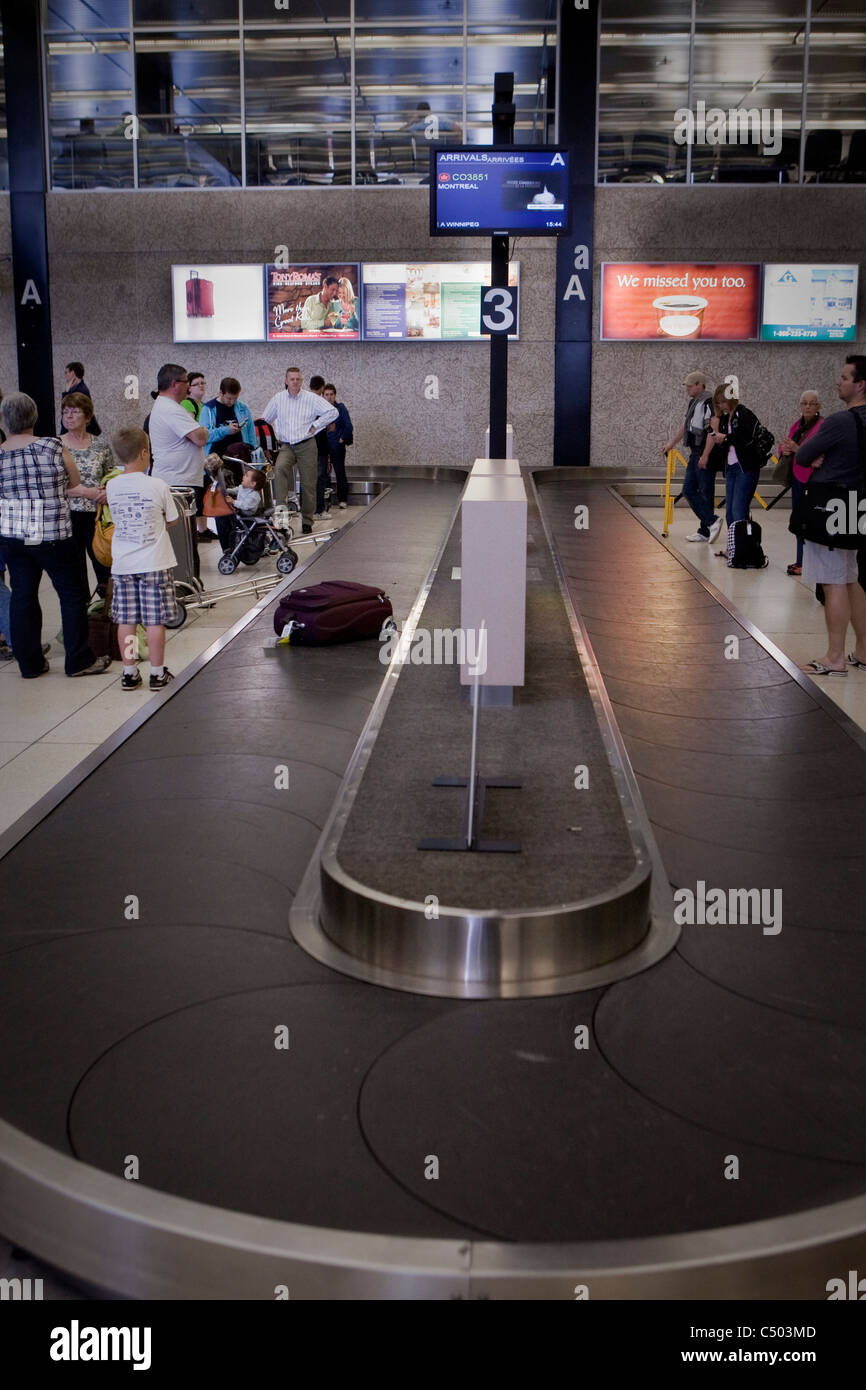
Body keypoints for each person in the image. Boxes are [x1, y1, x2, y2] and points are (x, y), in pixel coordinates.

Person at [0, 391, 111, 679]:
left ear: (5, 420)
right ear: (34, 418)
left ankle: (30, 664)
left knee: (23, 595)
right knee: (72, 595)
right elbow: (74, 481)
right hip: (52, 531)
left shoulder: (0, 453)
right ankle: (78, 660)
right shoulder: (52, 446)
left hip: (14, 534)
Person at [794, 356, 866, 677]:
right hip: (859, 503)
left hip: (831, 506)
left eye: (844, 377)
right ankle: (863, 650)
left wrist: (819, 454)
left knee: (833, 580)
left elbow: (805, 452)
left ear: (860, 384)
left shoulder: (840, 421)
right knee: (851, 577)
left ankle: (835, 657)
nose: (838, 381)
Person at [107, 426, 180, 691]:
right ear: (144, 452)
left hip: (123, 564)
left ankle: (129, 672)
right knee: (154, 620)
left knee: (126, 620)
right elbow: (172, 520)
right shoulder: (158, 485)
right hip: (154, 563)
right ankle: (158, 674)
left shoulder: (112, 485)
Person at [148, 363, 209, 576]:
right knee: (183, 544)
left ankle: (190, 585)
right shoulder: (171, 409)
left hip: (181, 482)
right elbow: (200, 437)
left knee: (186, 542)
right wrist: (203, 430)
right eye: (186, 382)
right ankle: (187, 586)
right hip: (177, 484)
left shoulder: (169, 407)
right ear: (175, 384)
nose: (189, 388)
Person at [261, 367, 337, 533]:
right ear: (286, 380)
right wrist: (271, 439)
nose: (295, 382)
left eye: (298, 379)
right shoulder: (278, 398)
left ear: (302, 381)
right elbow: (265, 419)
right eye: (292, 379)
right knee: (280, 469)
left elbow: (333, 412)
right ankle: (281, 519)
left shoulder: (310, 398)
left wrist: (316, 425)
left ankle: (307, 521)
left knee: (308, 483)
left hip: (307, 443)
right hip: (287, 445)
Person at [60, 391, 114, 596]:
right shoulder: (56, 445)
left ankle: (107, 615)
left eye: (75, 412)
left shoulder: (100, 445)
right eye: (65, 412)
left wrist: (107, 491)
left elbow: (111, 475)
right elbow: (53, 485)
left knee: (104, 566)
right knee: (75, 573)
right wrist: (85, 492)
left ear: (88, 417)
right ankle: (80, 618)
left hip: (96, 515)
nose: (69, 416)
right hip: (67, 517)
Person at [662, 371, 719, 543]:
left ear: (700, 385)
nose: (687, 388)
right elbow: (685, 426)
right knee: (690, 489)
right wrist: (672, 443)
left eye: (690, 385)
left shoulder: (709, 402)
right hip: (695, 452)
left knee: (704, 491)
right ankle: (707, 526)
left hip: (704, 452)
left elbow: (712, 429)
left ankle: (710, 524)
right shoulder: (694, 403)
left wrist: (706, 454)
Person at [699, 384, 763, 536]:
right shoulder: (725, 418)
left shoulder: (744, 414)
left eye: (723, 401)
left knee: (739, 510)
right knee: (729, 512)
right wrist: (719, 439)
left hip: (745, 468)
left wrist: (726, 438)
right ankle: (733, 547)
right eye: (718, 402)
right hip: (731, 466)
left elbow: (749, 439)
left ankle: (742, 550)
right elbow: (727, 444)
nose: (721, 405)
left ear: (732, 399)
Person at [777, 391, 823, 576]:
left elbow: (819, 450)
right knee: (798, 521)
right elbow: (786, 444)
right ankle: (800, 560)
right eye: (804, 403)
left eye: (812, 403)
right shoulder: (798, 425)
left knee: (809, 522)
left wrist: (798, 448)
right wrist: (785, 449)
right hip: (797, 477)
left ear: (818, 406)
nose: (808, 407)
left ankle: (808, 562)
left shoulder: (822, 426)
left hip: (812, 480)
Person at [199, 377, 257, 455]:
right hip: (216, 458)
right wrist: (226, 430)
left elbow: (251, 433)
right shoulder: (208, 409)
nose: (232, 402)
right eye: (229, 398)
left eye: (235, 398)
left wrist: (253, 451)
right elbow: (205, 436)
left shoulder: (243, 408)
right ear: (220, 393)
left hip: (240, 457)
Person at [323, 383, 353, 509]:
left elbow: (348, 425)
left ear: (335, 395)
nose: (329, 397)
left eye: (331, 394)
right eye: (326, 394)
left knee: (340, 472)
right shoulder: (320, 409)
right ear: (323, 396)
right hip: (324, 446)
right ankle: (327, 500)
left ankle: (342, 499)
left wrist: (342, 439)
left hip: (337, 445)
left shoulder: (340, 408)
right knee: (324, 474)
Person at [309, 374, 332, 517]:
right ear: (322, 388)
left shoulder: (303, 400)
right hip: (319, 446)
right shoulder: (318, 402)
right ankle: (318, 509)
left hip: (306, 446)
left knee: (308, 479)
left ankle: (308, 509)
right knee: (320, 478)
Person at [60, 361, 101, 436]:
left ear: (72, 373)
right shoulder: (77, 388)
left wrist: (66, 392)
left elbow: (66, 408)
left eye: (66, 373)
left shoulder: (80, 391)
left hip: (79, 433)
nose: (65, 375)